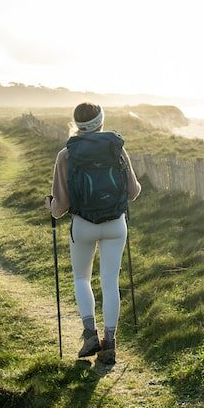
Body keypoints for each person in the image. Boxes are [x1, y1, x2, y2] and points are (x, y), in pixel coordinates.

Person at [44, 102, 142, 364]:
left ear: (76, 125)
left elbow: (60, 208)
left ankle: (90, 334)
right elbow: (133, 192)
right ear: (101, 121)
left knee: (81, 279)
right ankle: (109, 344)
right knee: (110, 282)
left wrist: (49, 205)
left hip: (83, 224)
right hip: (115, 224)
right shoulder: (117, 148)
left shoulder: (66, 155)